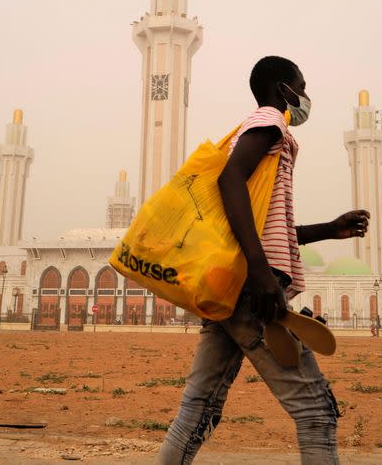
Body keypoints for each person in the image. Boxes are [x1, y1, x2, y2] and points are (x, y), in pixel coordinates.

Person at [156, 56, 370, 465]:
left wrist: (328, 229)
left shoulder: (267, 133)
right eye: (301, 86)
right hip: (255, 287)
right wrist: (258, 271)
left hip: (234, 284)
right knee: (315, 412)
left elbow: (262, 222)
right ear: (283, 88)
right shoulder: (270, 120)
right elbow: (229, 180)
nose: (305, 96)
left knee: (198, 407)